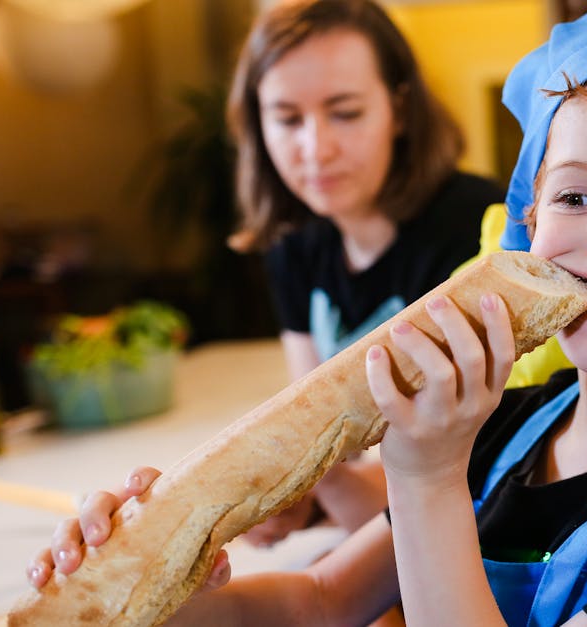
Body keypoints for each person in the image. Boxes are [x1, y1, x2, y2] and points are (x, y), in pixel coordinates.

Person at [27, 0, 587, 624]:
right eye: (575, 196)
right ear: (529, 221)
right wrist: (159, 589)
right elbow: (318, 601)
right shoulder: (504, 427)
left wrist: (427, 476)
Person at [225, 0, 505, 543]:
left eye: (346, 112)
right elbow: (320, 437)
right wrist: (295, 500)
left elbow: (477, 471)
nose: (316, 149)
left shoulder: (476, 229)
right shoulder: (293, 244)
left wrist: (315, 481)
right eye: (287, 119)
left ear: (399, 110)